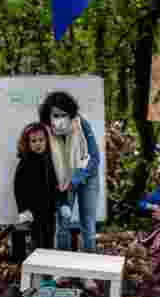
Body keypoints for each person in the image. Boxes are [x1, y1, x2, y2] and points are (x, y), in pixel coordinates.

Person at [40, 92, 100, 255]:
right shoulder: (44, 131)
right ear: (48, 115)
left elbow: (94, 156)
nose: (60, 119)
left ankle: (89, 272)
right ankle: (62, 269)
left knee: (88, 224)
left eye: (63, 114)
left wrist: (76, 179)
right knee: (62, 224)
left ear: (71, 114)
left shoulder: (81, 124)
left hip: (88, 176)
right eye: (55, 115)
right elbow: (43, 161)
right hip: (61, 181)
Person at [14, 122, 59, 251]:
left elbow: (54, 182)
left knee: (49, 237)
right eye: (33, 141)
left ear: (47, 141)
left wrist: (58, 202)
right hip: (34, 211)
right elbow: (18, 188)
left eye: (41, 140)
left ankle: (48, 265)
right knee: (37, 240)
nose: (38, 144)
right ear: (27, 143)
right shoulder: (25, 162)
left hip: (49, 209)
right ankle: (37, 266)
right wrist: (23, 210)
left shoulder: (49, 160)